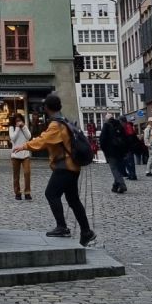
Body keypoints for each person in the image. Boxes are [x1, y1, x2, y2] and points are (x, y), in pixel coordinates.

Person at [25, 92, 96, 245]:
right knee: (73, 200)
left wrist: (24, 146)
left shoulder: (56, 125)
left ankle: (62, 227)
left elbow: (43, 141)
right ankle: (86, 232)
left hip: (64, 166)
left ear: (46, 108)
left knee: (51, 193)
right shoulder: (65, 121)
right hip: (73, 166)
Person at [98, 114, 129, 194]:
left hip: (110, 152)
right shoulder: (119, 125)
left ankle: (122, 184)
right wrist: (125, 151)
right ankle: (115, 186)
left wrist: (104, 150)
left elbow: (102, 139)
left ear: (106, 119)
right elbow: (125, 138)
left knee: (114, 169)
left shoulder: (106, 126)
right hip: (120, 151)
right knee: (118, 169)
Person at [8, 113, 32, 199]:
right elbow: (13, 138)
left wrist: (23, 127)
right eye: (17, 120)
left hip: (25, 154)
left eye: (20, 120)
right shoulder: (12, 128)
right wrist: (17, 128)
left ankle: (27, 192)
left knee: (27, 173)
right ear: (14, 121)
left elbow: (29, 137)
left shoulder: (24, 127)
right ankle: (17, 192)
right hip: (15, 155)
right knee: (16, 175)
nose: (19, 122)